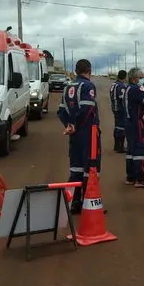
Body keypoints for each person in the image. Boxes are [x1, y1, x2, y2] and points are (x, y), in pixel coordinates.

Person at [57, 59, 101, 214]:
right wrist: (75, 124)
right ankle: (89, 204)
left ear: (75, 71)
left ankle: (74, 202)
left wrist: (68, 125)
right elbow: (87, 109)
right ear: (89, 69)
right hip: (87, 132)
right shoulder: (88, 85)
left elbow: (61, 111)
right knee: (91, 167)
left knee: (75, 168)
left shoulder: (67, 86)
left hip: (74, 134)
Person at [123, 67, 144, 188]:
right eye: (141, 76)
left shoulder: (127, 88)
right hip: (137, 122)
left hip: (128, 122)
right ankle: (141, 178)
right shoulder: (136, 89)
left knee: (131, 150)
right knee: (140, 150)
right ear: (134, 78)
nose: (143, 78)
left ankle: (131, 176)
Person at [109, 70, 128, 153]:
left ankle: (116, 145)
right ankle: (120, 147)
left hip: (115, 107)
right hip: (120, 108)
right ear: (124, 77)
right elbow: (122, 98)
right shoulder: (121, 86)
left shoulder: (114, 84)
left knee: (117, 126)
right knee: (121, 127)